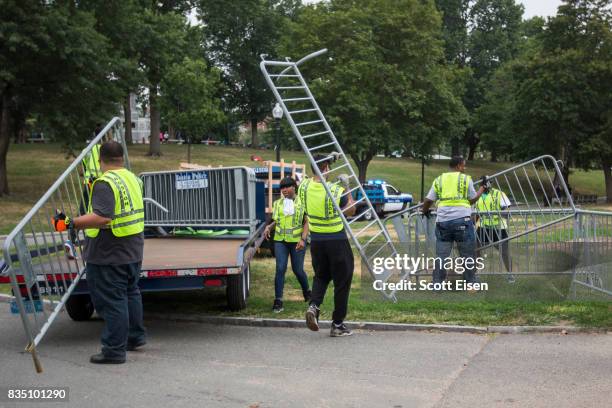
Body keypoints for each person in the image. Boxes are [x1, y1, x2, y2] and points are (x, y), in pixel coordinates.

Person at [52, 141, 146, 364]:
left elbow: (102, 216)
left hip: (109, 253)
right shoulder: (133, 178)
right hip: (132, 249)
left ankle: (114, 350)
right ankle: (134, 337)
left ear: (99, 160)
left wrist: (68, 222)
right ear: (121, 158)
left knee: (112, 302)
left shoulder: (105, 183)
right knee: (130, 294)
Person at [299, 153, 356, 337]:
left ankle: (314, 306)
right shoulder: (334, 189)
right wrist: (347, 186)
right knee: (342, 281)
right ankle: (337, 324)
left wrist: (329, 159)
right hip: (337, 240)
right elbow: (351, 210)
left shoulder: (304, 186)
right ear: (325, 168)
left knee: (321, 276)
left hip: (317, 241)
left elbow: (319, 171)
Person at [421, 156, 486, 285]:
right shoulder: (465, 179)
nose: (465, 168)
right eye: (464, 165)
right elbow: (472, 199)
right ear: (458, 166)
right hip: (462, 220)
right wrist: (482, 189)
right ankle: (471, 284)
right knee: (467, 255)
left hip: (443, 222)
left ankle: (437, 284)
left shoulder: (439, 179)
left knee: (441, 256)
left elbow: (428, 200)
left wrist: (424, 211)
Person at [264, 176, 310, 313]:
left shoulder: (302, 203)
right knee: (280, 268)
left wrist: (303, 239)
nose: (284, 190)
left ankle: (307, 292)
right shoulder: (278, 203)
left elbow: (307, 221)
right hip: (280, 241)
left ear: (293, 187)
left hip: (297, 242)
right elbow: (276, 220)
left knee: (298, 270)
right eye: (282, 188)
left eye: (286, 187)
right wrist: (269, 227)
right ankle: (278, 300)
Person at [474, 181, 515, 282]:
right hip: (483, 227)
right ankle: (475, 274)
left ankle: (511, 274)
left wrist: (503, 213)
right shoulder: (477, 196)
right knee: (476, 251)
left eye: (487, 183)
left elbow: (507, 209)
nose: (485, 185)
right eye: (483, 184)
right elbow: (476, 213)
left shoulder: (499, 193)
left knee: (504, 252)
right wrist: (472, 223)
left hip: (498, 227)